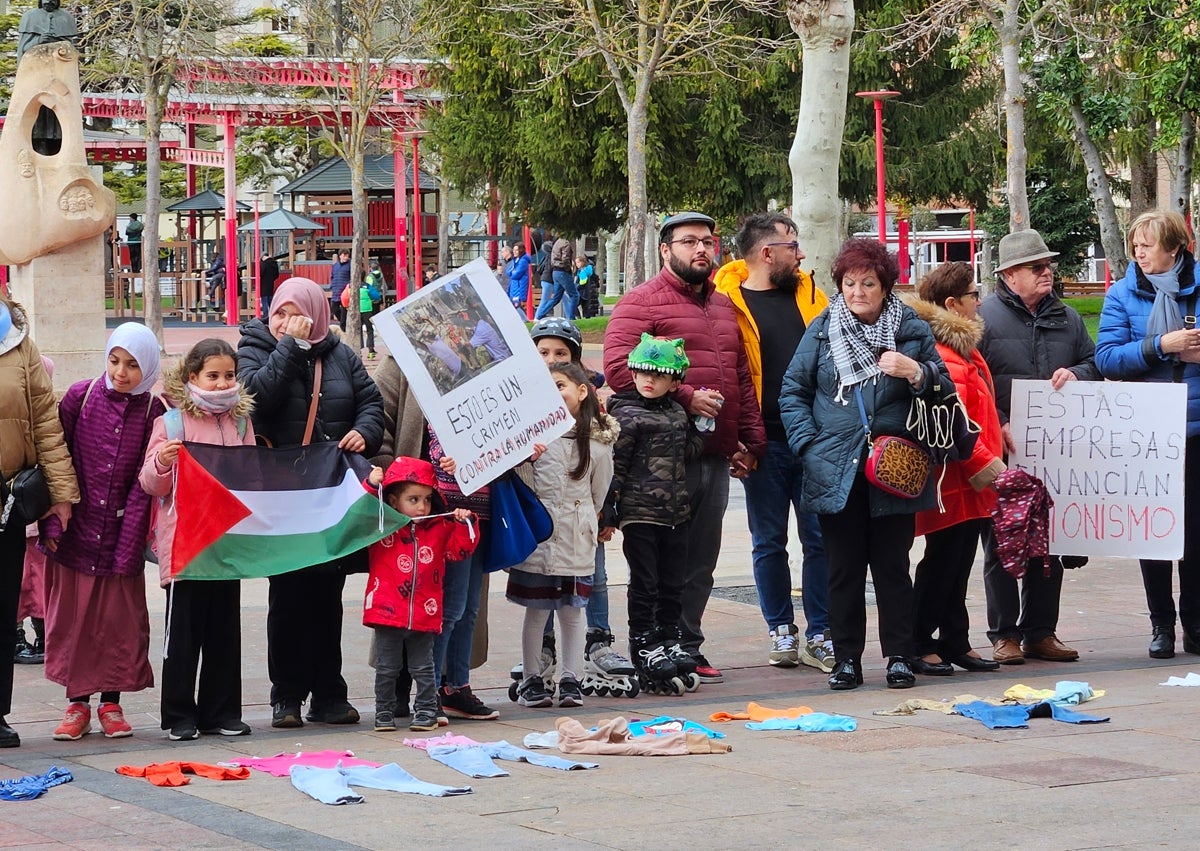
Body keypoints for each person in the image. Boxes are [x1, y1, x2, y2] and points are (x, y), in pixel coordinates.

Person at [779, 238, 952, 691]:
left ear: (886, 287)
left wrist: (915, 372)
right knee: (843, 570)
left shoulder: (910, 328)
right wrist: (808, 445)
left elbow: (944, 388)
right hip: (834, 468)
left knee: (893, 568)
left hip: (896, 467)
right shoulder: (822, 329)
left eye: (868, 283)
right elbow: (792, 391)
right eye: (849, 283)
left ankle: (899, 656)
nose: (857, 292)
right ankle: (846, 659)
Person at [604, 211, 766, 683]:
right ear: (665, 250)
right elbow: (617, 370)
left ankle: (685, 644)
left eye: (708, 241)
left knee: (701, 561)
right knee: (656, 565)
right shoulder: (641, 303)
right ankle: (650, 643)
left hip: (714, 451)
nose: (701, 249)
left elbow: (739, 377)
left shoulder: (723, 306)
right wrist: (686, 395)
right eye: (689, 241)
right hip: (659, 461)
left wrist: (749, 439)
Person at [237, 277, 385, 729]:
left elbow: (371, 404)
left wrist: (366, 431)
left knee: (327, 595)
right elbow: (256, 400)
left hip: (329, 494)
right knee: (287, 596)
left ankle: (329, 695)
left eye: (295, 313)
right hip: (283, 494)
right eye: (279, 312)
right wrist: (291, 347)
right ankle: (286, 697)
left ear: (317, 313)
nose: (285, 321)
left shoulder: (341, 354)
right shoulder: (256, 347)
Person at [713, 213, 833, 673]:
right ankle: (781, 628)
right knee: (769, 541)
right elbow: (721, 374)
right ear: (767, 253)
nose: (799, 254)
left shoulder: (811, 295)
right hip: (761, 443)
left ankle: (820, 633)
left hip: (815, 441)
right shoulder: (726, 301)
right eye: (792, 245)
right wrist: (735, 440)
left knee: (820, 539)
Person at [978, 229, 1100, 664]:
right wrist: (1002, 422)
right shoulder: (984, 318)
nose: (1047, 271)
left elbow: (1093, 363)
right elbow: (973, 384)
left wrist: (1078, 374)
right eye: (1036, 266)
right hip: (1003, 449)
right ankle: (1004, 634)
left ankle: (1041, 632)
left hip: (1054, 452)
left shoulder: (1067, 318)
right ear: (1011, 275)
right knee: (1000, 541)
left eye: (1047, 264)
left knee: (1047, 540)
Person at [42, 323, 163, 739]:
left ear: (146, 367)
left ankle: (111, 703)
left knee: (116, 623)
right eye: (114, 360)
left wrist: (129, 541)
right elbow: (58, 458)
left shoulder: (153, 412)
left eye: (132, 365)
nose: (120, 372)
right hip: (76, 530)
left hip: (119, 537)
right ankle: (77, 704)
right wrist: (54, 519)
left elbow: (144, 484)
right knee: (74, 620)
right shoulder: (81, 396)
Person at [370, 356, 499, 723]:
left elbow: (503, 432)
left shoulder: (488, 365)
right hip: (431, 511)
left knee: (469, 607)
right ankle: (426, 695)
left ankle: (454, 685)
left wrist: (522, 452)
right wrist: (397, 486)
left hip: (478, 511)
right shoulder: (402, 362)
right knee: (447, 608)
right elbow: (381, 423)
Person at [139, 339, 256, 741]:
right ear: (193, 377)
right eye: (213, 375)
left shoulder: (241, 423)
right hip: (187, 547)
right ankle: (178, 715)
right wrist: (163, 461)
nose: (222, 383)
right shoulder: (171, 423)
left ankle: (221, 712)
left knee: (225, 631)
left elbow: (250, 476)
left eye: (228, 375)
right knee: (184, 635)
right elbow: (150, 483)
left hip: (225, 545)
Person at [1096, 210, 1200, 659]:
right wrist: (1162, 345)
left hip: (1195, 428)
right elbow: (1107, 359)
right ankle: (1161, 625)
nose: (1138, 253)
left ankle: (1195, 623)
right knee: (1153, 532)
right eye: (1135, 245)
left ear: (1174, 249)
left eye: (1148, 245)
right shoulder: (1123, 293)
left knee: (1194, 534)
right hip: (1147, 431)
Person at [907, 262, 1005, 674]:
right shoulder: (947, 354)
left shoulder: (958, 348)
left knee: (957, 561)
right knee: (944, 562)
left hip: (966, 480)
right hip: (956, 480)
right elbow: (957, 423)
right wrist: (989, 466)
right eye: (972, 295)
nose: (979, 301)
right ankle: (917, 639)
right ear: (952, 304)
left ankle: (953, 639)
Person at [509, 361, 617, 708]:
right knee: (537, 611)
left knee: (572, 611)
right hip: (540, 538)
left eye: (560, 385)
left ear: (582, 391)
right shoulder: (532, 438)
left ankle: (572, 677)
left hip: (576, 537)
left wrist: (586, 518)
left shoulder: (598, 441)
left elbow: (598, 493)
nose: (554, 393)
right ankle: (531, 679)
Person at [607, 335, 707, 693]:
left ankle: (669, 635)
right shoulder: (625, 413)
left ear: (675, 382)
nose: (648, 380)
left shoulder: (677, 412)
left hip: (676, 512)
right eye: (642, 372)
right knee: (645, 582)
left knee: (672, 581)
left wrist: (703, 426)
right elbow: (615, 466)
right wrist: (608, 507)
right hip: (640, 513)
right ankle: (643, 642)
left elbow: (688, 451)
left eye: (659, 375)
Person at [0, 294, 77, 748]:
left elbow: (45, 420)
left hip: (8, 499)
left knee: (1, 608)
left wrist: (61, 495)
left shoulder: (15, 337)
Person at [365, 457, 478, 733]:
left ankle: (426, 711)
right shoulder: (381, 524)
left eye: (427, 499)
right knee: (387, 668)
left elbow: (459, 551)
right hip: (386, 611)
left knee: (425, 668)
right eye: (413, 499)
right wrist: (370, 487)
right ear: (393, 501)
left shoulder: (438, 528)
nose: (422, 506)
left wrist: (466, 523)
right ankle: (384, 712)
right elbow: (360, 515)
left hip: (425, 612)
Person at [535, 236, 579, 320]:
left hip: (555, 272)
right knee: (574, 295)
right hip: (563, 271)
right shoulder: (565, 243)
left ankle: (540, 315)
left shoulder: (557, 243)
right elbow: (565, 258)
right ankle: (571, 317)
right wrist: (569, 268)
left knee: (556, 298)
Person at [330, 250, 352, 328]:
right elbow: (332, 277)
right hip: (336, 291)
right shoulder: (335, 266)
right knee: (334, 309)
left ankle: (344, 327)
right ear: (340, 256)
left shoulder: (350, 265)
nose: (346, 257)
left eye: (347, 255)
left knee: (344, 312)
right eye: (344, 255)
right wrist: (332, 286)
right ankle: (344, 324)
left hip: (345, 292)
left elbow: (352, 277)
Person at [506, 243, 531, 312]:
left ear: (521, 250)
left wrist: (512, 272)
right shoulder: (515, 260)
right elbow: (508, 271)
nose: (514, 252)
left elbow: (516, 274)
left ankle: (524, 319)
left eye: (516, 250)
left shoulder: (523, 261)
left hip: (519, 286)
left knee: (517, 305)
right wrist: (512, 272)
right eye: (514, 250)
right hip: (514, 286)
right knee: (515, 305)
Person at [259, 252, 280, 319]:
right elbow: (276, 275)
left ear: (263, 257)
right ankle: (272, 316)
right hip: (271, 285)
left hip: (263, 285)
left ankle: (265, 317)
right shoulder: (274, 263)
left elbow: (260, 274)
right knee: (270, 301)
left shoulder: (263, 264)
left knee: (264, 302)